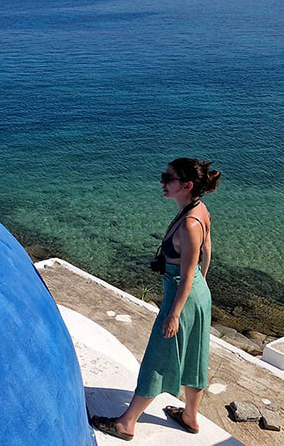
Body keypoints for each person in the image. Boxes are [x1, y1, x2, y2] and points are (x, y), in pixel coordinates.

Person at [91, 157, 222, 440]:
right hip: (196, 296)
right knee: (195, 356)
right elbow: (207, 252)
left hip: (181, 298)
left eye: (168, 178)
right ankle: (189, 416)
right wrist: (201, 287)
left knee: (157, 358)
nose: (162, 181)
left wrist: (174, 313)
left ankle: (126, 423)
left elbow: (187, 274)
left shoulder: (189, 224)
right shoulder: (199, 209)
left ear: (187, 185)